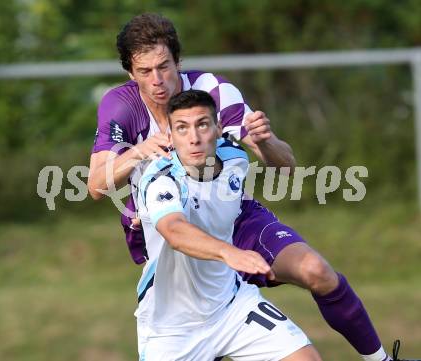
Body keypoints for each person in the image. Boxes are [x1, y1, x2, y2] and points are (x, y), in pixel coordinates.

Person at [88, 13, 392, 361]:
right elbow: (96, 185)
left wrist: (264, 142)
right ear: (130, 73)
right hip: (170, 228)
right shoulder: (122, 106)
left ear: (178, 60)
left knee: (316, 271)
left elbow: (285, 165)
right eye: (145, 71)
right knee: (189, 299)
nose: (158, 80)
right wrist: (137, 152)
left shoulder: (213, 92)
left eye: (164, 66)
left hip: (232, 218)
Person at [136, 89, 322, 361]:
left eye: (202, 124)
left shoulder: (235, 158)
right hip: (171, 327)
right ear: (171, 137)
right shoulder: (160, 179)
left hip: (232, 304)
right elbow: (174, 230)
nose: (194, 138)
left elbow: (286, 167)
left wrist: (266, 142)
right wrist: (229, 252)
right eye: (182, 128)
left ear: (219, 128)